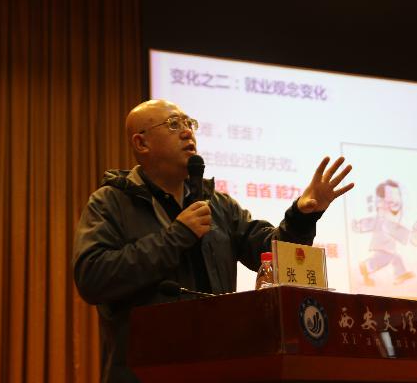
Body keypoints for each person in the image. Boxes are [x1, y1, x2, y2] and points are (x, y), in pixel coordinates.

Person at [73, 99, 354, 383]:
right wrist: (176, 237)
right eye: (173, 124)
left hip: (217, 367)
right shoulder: (111, 202)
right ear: (141, 143)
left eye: (189, 123)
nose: (187, 132)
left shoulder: (218, 205)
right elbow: (92, 277)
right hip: (143, 373)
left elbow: (271, 254)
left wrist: (302, 216)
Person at [353, 179, 414, 287]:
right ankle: (366, 266)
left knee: (395, 257)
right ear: (380, 202)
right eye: (390, 201)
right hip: (382, 244)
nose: (395, 203)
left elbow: (397, 229)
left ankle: (401, 274)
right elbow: (369, 223)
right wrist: (358, 225)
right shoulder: (381, 219)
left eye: (397, 199)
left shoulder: (391, 218)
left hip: (388, 245)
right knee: (383, 260)